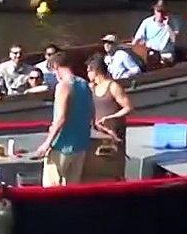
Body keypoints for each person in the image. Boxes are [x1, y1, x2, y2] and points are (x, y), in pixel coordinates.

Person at [32, 49, 94, 187]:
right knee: (73, 189)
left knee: (52, 189)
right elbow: (91, 113)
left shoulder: (64, 86)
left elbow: (61, 118)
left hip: (62, 146)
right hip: (81, 144)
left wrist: (46, 143)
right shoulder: (85, 84)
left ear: (55, 66)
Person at [87, 55, 132, 142]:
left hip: (115, 133)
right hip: (98, 132)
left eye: (89, 71)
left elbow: (128, 108)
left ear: (96, 71)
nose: (87, 74)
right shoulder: (92, 87)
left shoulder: (113, 87)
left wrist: (111, 117)